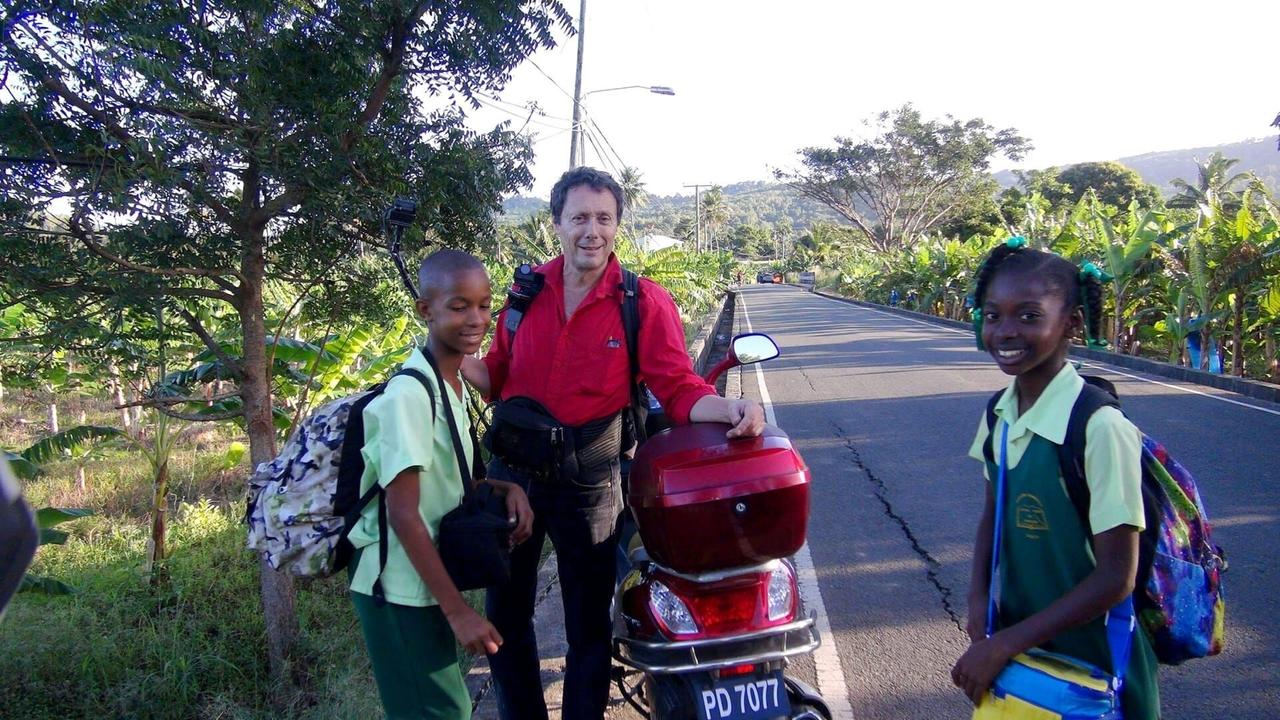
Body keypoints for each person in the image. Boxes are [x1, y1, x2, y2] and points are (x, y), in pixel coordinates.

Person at [463, 167, 765, 720]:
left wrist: (731, 409)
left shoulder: (641, 301)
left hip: (589, 483)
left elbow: (677, 386)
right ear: (556, 223)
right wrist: (449, 354)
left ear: (617, 226)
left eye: (604, 218)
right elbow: (496, 375)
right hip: (513, 479)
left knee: (586, 626)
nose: (592, 231)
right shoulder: (526, 292)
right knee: (506, 618)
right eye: (579, 217)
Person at [951, 239, 1159, 719]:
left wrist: (1003, 645)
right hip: (1024, 650)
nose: (1006, 331)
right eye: (992, 315)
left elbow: (1116, 577)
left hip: (1099, 663)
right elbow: (992, 515)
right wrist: (978, 599)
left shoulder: (1100, 428)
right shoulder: (999, 414)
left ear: (1072, 323)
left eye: (1029, 316)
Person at [348, 249, 534, 720]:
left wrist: (504, 488)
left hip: (424, 580)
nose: (476, 319)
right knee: (441, 712)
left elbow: (449, 474)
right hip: (396, 585)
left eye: (484, 305)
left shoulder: (448, 383)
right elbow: (402, 512)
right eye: (458, 306)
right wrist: (458, 613)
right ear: (425, 310)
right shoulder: (410, 395)